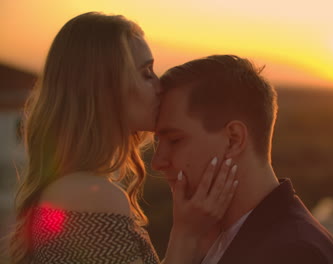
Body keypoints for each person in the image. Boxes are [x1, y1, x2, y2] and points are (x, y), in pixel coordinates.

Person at [9, 12, 238, 264]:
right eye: (145, 72)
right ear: (105, 88)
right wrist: (186, 234)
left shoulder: (73, 189)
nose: (159, 86)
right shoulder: (91, 197)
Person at [152, 55, 333, 264]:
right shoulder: (212, 241)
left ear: (233, 140)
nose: (157, 161)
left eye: (174, 140)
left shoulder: (296, 252)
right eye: (157, 142)